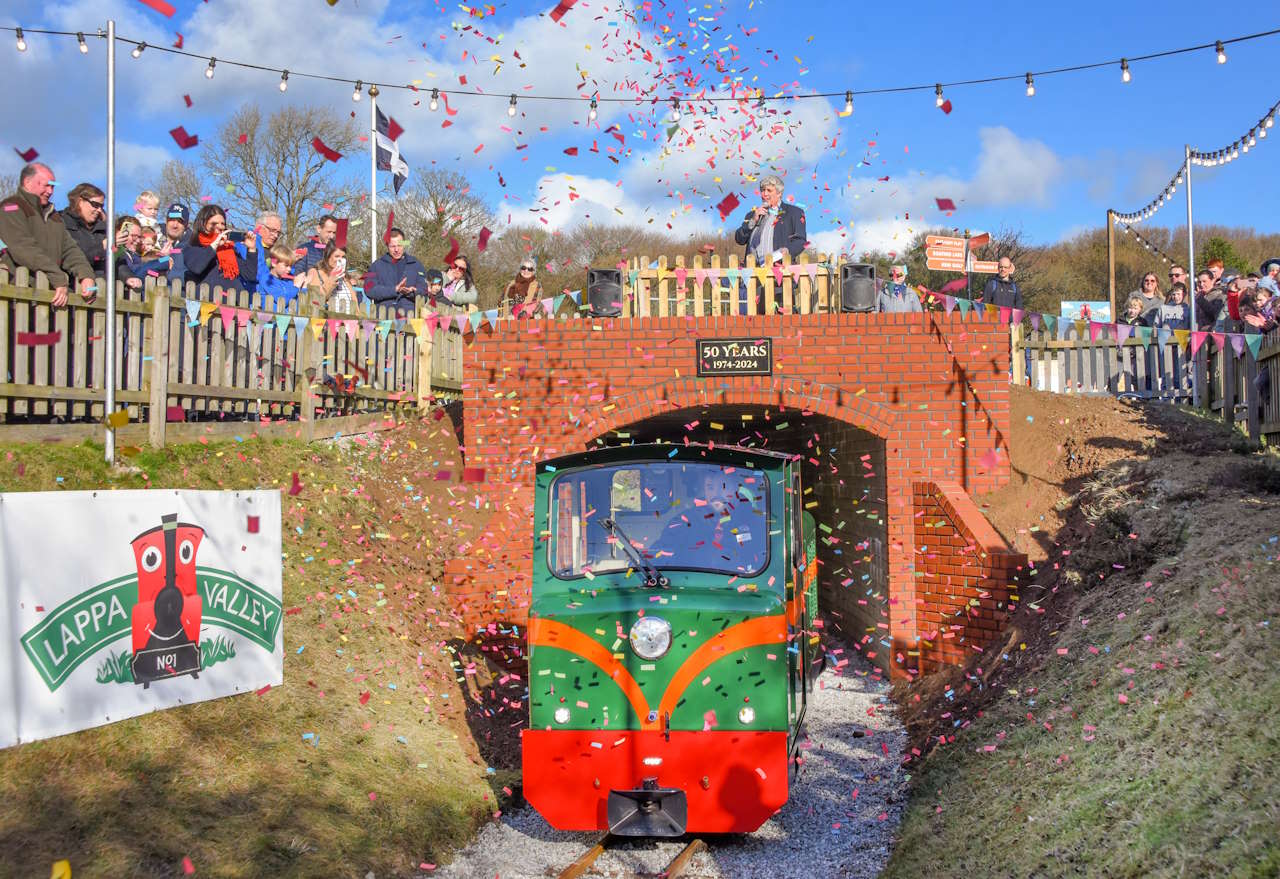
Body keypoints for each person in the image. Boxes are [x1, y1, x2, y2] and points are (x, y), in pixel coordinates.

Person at [0, 162, 98, 307]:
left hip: (51, 295)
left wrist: (87, 276)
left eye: (52, 186)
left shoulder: (53, 216)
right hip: (19, 297)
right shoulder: (11, 208)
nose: (50, 191)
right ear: (27, 182)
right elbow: (23, 248)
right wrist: (57, 277)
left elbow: (70, 249)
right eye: (46, 185)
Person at [182, 204, 258, 293]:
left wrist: (251, 249)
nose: (220, 227)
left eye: (222, 223)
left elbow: (250, 275)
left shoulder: (228, 249)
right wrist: (214, 246)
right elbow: (197, 268)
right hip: (206, 302)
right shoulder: (193, 247)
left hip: (233, 302)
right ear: (203, 224)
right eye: (214, 224)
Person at [366, 227, 427, 313]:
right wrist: (394, 290)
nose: (396, 250)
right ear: (387, 245)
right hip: (385, 318)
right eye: (392, 246)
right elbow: (370, 290)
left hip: (409, 318)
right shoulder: (376, 266)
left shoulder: (416, 264)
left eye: (399, 245)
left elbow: (425, 291)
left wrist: (413, 292)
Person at [61, 182, 109, 276]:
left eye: (101, 206)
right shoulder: (63, 223)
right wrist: (101, 247)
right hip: (75, 285)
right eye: (95, 205)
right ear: (80, 201)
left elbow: (117, 262)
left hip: (101, 285)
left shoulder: (103, 229)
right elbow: (73, 258)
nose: (99, 210)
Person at [301, 242, 356, 311]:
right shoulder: (316, 273)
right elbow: (315, 301)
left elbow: (354, 303)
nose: (340, 260)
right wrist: (331, 281)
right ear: (328, 257)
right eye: (337, 256)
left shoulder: (344, 276)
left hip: (349, 319)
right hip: (328, 319)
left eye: (343, 257)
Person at [250, 210, 284, 294]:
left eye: (278, 232)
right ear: (259, 227)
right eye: (272, 230)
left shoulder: (275, 251)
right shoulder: (248, 245)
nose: (275, 236)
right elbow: (256, 273)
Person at [158, 202, 191, 280]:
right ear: (166, 221)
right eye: (172, 220)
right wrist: (162, 258)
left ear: (186, 225)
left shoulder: (190, 247)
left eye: (180, 221)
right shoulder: (152, 238)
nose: (175, 225)